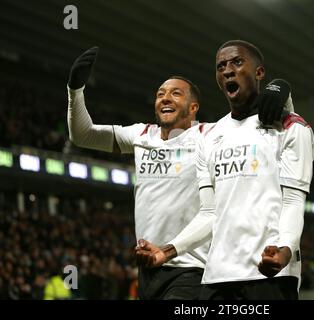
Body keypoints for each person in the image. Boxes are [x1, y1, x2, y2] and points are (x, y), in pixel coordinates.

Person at [66, 46, 290, 299]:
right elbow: (82, 135)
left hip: (192, 266)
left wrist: (280, 90)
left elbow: (263, 122)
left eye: (175, 93)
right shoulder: (140, 135)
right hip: (149, 265)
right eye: (160, 94)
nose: (165, 98)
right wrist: (75, 90)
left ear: (193, 108)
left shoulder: (211, 135)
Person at [136, 40, 314, 300]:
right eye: (221, 66)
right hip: (216, 277)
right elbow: (209, 213)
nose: (228, 70)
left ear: (259, 72)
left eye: (237, 62)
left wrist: (285, 249)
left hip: (269, 274)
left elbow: (293, 201)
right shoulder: (210, 137)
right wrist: (167, 251)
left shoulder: (291, 127)